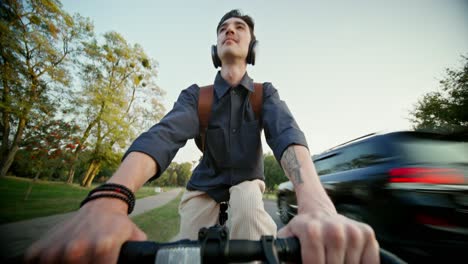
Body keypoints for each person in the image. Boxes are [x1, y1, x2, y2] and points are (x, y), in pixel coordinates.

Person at [25, 9, 380, 264]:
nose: (230, 30)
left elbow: (287, 136)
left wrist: (316, 205)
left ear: (252, 45)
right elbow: (162, 136)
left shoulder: (264, 93)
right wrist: (109, 198)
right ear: (215, 48)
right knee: (183, 252)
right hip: (202, 185)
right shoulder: (197, 95)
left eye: (239, 26)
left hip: (246, 183)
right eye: (224, 27)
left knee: (247, 202)